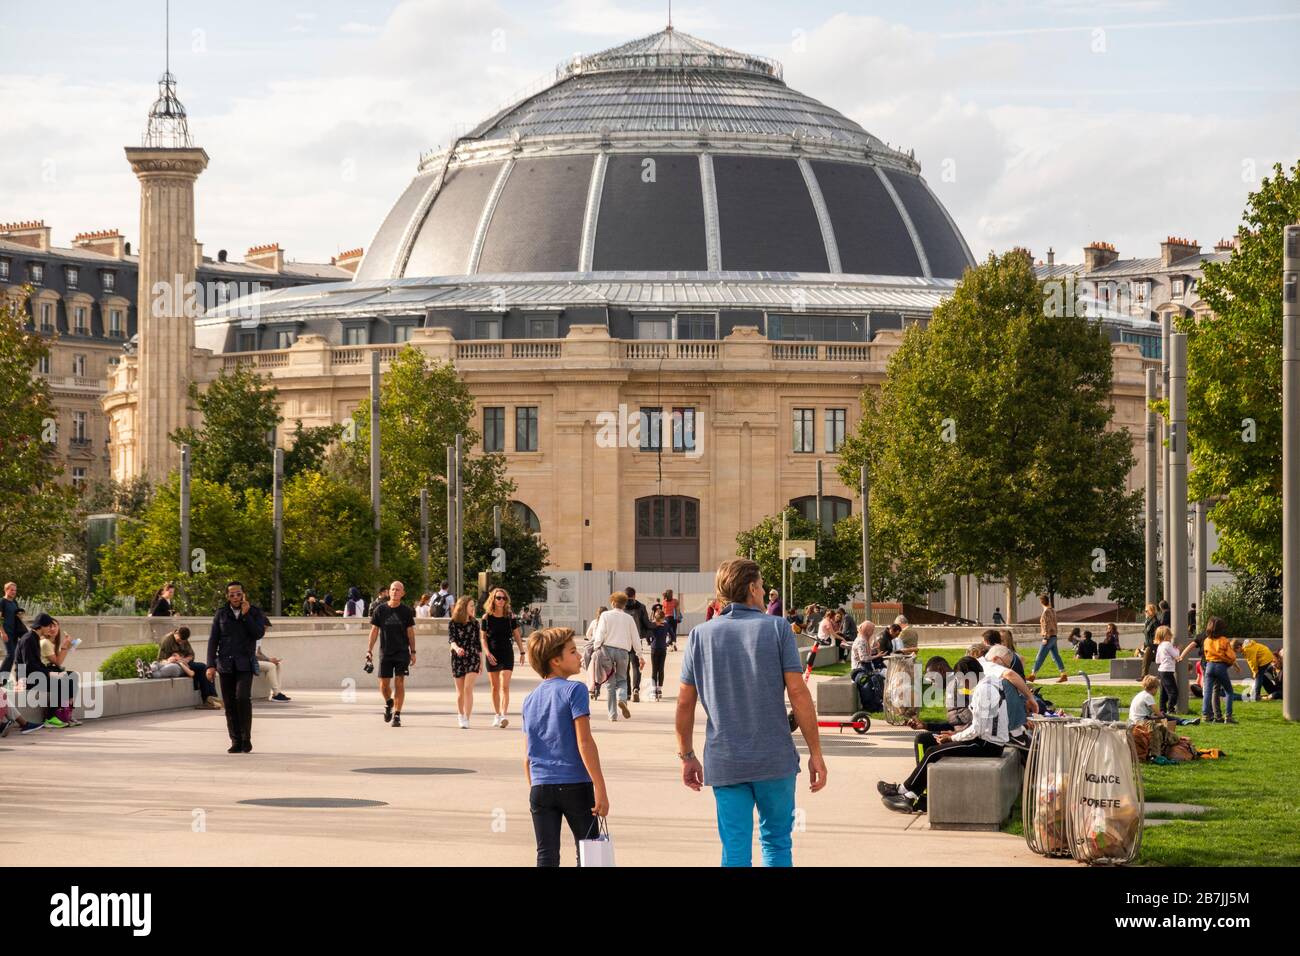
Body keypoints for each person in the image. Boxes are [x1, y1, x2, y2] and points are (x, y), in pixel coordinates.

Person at [677, 559, 826, 868]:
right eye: (760, 585)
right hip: (774, 758)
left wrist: (687, 755)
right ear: (752, 588)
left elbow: (684, 704)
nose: (763, 592)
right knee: (776, 842)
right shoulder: (777, 628)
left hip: (726, 760)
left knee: (734, 849)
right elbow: (799, 694)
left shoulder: (700, 636)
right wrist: (815, 753)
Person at [879, 643, 1014, 814]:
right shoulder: (989, 684)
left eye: (962, 679)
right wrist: (952, 734)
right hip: (987, 741)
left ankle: (907, 794)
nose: (962, 684)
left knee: (934, 751)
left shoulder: (982, 691)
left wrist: (952, 737)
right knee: (931, 748)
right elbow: (978, 726)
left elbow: (977, 729)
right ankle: (908, 793)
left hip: (987, 745)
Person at [522, 627, 608, 867]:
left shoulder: (529, 699)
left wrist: (537, 787)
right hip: (575, 785)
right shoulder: (575, 690)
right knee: (589, 853)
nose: (580, 655)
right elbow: (585, 742)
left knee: (546, 856)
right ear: (555, 660)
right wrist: (600, 787)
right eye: (572, 651)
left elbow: (528, 754)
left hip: (540, 787)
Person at [206, 582, 268, 753]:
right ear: (227, 596)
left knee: (242, 698)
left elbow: (258, 633)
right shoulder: (221, 613)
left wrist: (246, 615)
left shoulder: (254, 612)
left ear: (243, 594)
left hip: (244, 664)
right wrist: (210, 665)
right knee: (229, 703)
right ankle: (235, 740)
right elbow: (213, 640)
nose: (235, 597)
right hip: (225, 664)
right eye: (232, 594)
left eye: (238, 594)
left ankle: (246, 739)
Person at [366, 580, 417, 729]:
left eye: (398, 590)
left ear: (403, 593)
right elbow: (374, 631)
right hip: (385, 652)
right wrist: (369, 650)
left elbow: (411, 633)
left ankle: (397, 715)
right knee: (383, 685)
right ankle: (389, 702)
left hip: (402, 652)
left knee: (399, 682)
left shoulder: (406, 611)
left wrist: (413, 652)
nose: (395, 592)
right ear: (389, 591)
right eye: (393, 589)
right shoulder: (380, 610)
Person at [590, 591, 642, 721]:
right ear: (624, 605)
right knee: (622, 679)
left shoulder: (605, 615)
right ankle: (623, 699)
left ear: (613, 603)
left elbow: (600, 633)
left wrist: (596, 648)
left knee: (610, 683)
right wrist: (640, 655)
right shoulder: (629, 618)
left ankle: (612, 715)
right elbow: (635, 637)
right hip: (623, 652)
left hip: (607, 650)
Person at [480, 587, 525, 728]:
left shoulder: (510, 616)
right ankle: (497, 714)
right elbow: (483, 638)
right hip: (492, 653)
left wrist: (522, 652)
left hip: (507, 653)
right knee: (495, 687)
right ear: (493, 599)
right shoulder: (486, 618)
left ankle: (503, 716)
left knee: (505, 686)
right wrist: (487, 653)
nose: (501, 600)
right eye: (498, 598)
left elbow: (517, 635)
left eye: (504, 598)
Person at [157, 626, 221, 708]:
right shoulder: (167, 640)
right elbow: (160, 660)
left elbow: (191, 655)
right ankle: (209, 698)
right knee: (202, 668)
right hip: (175, 666)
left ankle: (211, 698)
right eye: (179, 641)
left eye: (182, 641)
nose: (180, 643)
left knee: (204, 669)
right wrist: (170, 660)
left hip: (186, 663)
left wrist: (185, 659)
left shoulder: (184, 639)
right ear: (176, 633)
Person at [1200, 617, 1242, 724]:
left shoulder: (1206, 640)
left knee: (1208, 692)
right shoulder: (1224, 640)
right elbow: (1232, 656)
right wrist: (1227, 660)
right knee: (1229, 691)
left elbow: (1205, 654)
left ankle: (1206, 715)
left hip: (1209, 666)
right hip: (1220, 667)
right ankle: (1228, 716)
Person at [448, 596, 481, 728]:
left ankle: (467, 717)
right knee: (460, 692)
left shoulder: (475, 623)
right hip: (458, 658)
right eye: (471, 605)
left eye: (474, 605)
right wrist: (457, 648)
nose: (473, 608)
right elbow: (451, 640)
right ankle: (460, 715)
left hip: (473, 657)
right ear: (463, 607)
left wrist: (481, 662)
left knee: (468, 688)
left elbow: (477, 644)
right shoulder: (453, 622)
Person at [623, 587, 653, 702]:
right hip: (636, 640)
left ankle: (627, 693)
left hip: (623, 642)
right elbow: (647, 624)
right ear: (634, 595)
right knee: (636, 666)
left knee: (625, 668)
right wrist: (657, 624)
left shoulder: (621, 607)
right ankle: (636, 689)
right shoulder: (641, 607)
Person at [1028, 594, 1067, 683]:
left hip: (1048, 637)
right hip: (1054, 636)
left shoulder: (1046, 612)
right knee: (1055, 656)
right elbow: (1054, 624)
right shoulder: (1053, 610)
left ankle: (1033, 675)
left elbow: (1046, 625)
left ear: (1041, 602)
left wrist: (1045, 637)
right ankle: (1063, 674)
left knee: (1040, 656)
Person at [0, 581, 22, 681]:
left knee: (17, 655)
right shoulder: (2, 602)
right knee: (10, 655)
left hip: (15, 633)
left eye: (15, 590)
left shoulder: (14, 602)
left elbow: (17, 616)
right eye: (11, 590)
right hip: (6, 632)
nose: (14, 592)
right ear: (6, 590)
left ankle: (18, 679)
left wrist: (20, 614)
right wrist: (2, 632)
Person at [648, 608, 670, 701]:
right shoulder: (666, 624)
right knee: (661, 669)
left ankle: (653, 690)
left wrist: (650, 642)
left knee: (654, 669)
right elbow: (672, 635)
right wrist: (667, 642)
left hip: (654, 648)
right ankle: (659, 689)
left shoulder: (653, 625)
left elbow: (647, 635)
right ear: (663, 617)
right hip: (663, 648)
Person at [583, 608, 605, 700]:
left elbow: (588, 634)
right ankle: (597, 687)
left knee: (586, 652)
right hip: (603, 644)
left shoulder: (594, 622)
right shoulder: (606, 622)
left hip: (593, 642)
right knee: (599, 667)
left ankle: (586, 665)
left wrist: (591, 639)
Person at [1140, 603, 1159, 678]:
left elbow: (1157, 634)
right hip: (1148, 644)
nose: (1145, 612)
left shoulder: (1155, 622)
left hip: (1152, 645)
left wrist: (1154, 644)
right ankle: (1144, 676)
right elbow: (1147, 634)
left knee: (1146, 660)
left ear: (1151, 611)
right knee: (1146, 661)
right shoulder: (1148, 621)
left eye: (1146, 611)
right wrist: (1144, 644)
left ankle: (1144, 676)